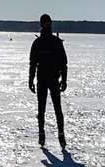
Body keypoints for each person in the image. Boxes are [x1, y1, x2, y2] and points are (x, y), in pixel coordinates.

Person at [28, 13, 67, 150]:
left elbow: (63, 63)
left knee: (57, 109)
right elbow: (32, 63)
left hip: (53, 79)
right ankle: (41, 132)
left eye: (49, 23)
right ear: (42, 24)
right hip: (43, 80)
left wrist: (64, 79)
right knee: (42, 108)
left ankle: (60, 134)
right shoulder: (38, 43)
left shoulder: (56, 42)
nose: (47, 25)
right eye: (46, 23)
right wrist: (31, 79)